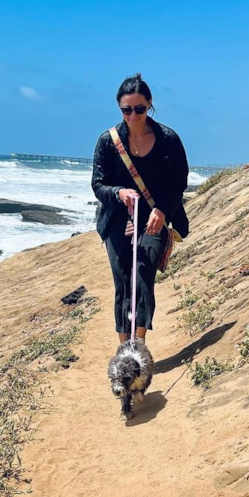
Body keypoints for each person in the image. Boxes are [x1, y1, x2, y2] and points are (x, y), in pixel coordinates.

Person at [92, 73, 189, 346]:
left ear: (150, 104)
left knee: (143, 276)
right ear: (119, 107)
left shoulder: (168, 139)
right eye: (127, 110)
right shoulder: (108, 141)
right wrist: (118, 193)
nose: (133, 115)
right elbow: (98, 184)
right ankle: (124, 347)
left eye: (139, 109)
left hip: (154, 219)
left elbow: (178, 182)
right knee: (123, 281)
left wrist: (162, 209)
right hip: (117, 219)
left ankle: (139, 342)